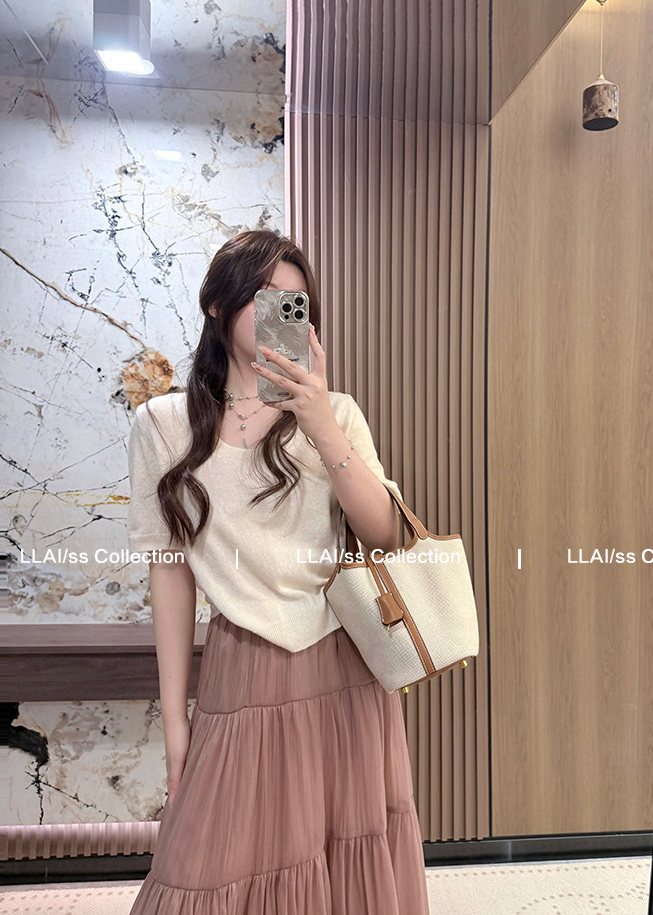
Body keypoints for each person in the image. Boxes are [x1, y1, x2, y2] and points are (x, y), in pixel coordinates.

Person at [126, 229, 431, 914]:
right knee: (207, 862)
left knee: (342, 851)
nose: (282, 316)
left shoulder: (334, 412)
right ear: (216, 305)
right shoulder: (162, 425)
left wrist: (320, 421)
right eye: (266, 298)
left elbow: (385, 534)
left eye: (295, 304)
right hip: (243, 664)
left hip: (344, 664)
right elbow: (169, 574)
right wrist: (175, 721)